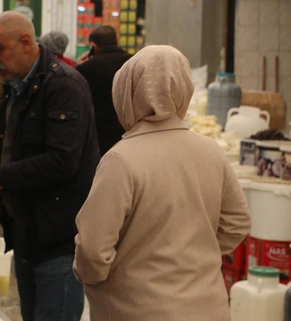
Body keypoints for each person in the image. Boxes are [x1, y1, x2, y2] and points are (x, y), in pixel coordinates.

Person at [73, 45, 251, 321]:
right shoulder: (210, 149)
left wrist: (99, 276)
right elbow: (237, 223)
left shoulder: (121, 159)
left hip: (136, 309)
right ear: (184, 91)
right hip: (208, 307)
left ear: (125, 92)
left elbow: (93, 250)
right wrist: (192, 256)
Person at [0, 11, 100, 321]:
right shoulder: (17, 85)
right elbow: (8, 144)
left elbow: (63, 161)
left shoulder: (64, 86)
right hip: (25, 230)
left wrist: (2, 177)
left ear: (25, 42)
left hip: (57, 237)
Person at [76, 25, 132, 155]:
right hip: (129, 131)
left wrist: (78, 67)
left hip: (99, 135)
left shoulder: (86, 69)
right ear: (116, 41)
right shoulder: (132, 61)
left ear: (94, 46)